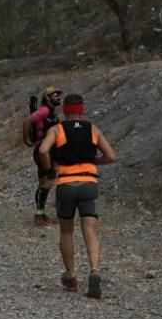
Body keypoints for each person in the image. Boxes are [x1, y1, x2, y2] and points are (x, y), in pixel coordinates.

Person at [38, 94, 117, 300]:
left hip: (66, 185)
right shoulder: (93, 129)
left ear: (65, 110)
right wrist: (93, 162)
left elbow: (44, 149)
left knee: (66, 231)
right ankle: (94, 270)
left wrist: (48, 170)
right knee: (90, 230)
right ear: (82, 110)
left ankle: (71, 277)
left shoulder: (57, 130)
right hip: (89, 184)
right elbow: (112, 156)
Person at [22, 87, 63, 225]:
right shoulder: (45, 111)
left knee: (43, 183)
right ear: (47, 98)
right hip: (44, 152)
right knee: (48, 181)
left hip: (45, 150)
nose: (58, 97)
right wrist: (26, 140)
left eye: (58, 95)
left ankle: (41, 214)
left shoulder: (50, 111)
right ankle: (39, 217)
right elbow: (26, 121)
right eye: (55, 95)